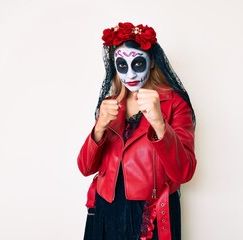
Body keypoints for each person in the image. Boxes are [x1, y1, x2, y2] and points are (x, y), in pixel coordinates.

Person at [77, 22, 197, 240]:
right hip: (106, 210)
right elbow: (85, 168)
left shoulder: (175, 103)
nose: (130, 73)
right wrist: (100, 127)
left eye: (138, 63)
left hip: (149, 214)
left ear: (151, 62)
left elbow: (184, 172)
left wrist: (160, 124)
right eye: (122, 65)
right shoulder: (111, 103)